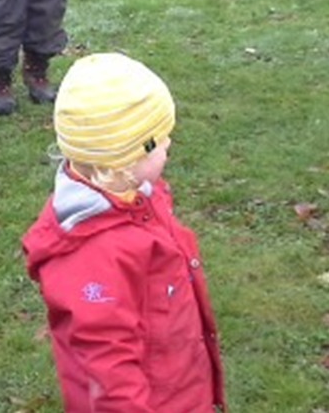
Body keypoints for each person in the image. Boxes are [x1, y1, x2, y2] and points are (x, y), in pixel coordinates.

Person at [22, 53, 225, 412]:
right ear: (127, 158)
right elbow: (107, 373)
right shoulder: (94, 256)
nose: (168, 145)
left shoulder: (138, 194)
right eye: (160, 141)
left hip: (181, 386)